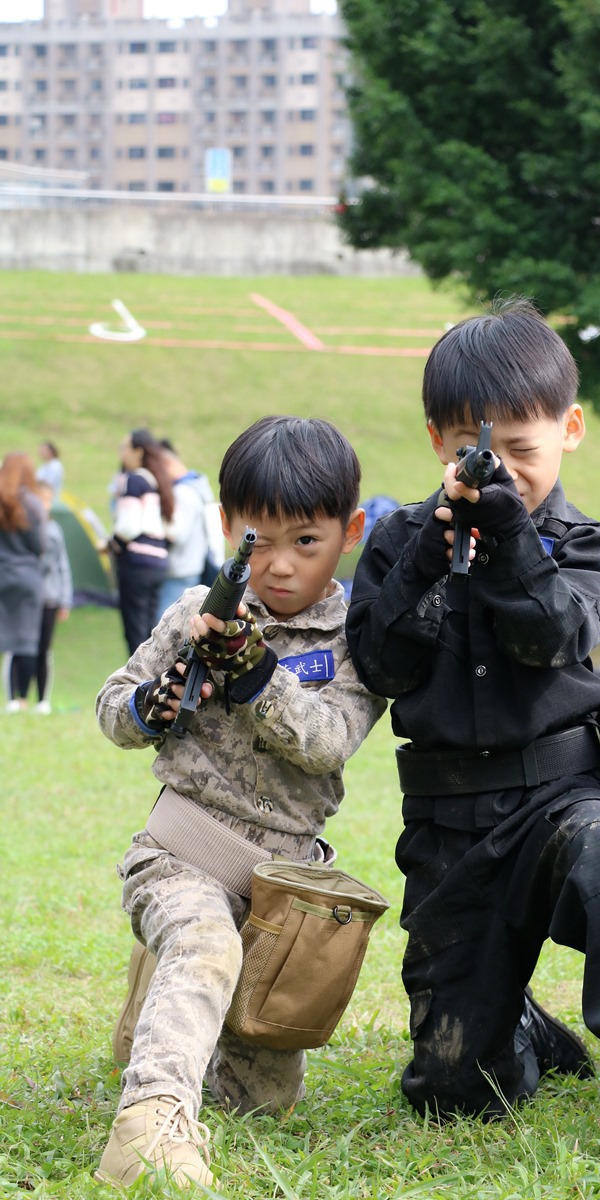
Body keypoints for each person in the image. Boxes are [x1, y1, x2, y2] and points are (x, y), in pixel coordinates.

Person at [345, 298, 600, 1185]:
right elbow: (380, 664)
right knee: (451, 1090)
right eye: (480, 452)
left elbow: (551, 635)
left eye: (524, 450)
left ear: (570, 429)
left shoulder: (586, 543)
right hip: (449, 827)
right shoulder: (400, 539)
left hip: (563, 796)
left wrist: (509, 534)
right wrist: (426, 563)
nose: (503, 470)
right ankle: (514, 1026)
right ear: (438, 439)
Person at [94, 415, 386, 1188]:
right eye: (260, 542)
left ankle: (153, 1011)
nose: (280, 566)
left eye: (307, 542)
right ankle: (149, 1125)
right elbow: (111, 705)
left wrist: (255, 672)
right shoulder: (198, 605)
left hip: (280, 893)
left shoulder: (359, 639)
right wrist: (147, 708)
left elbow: (327, 741)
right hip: (179, 854)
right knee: (205, 945)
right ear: (228, 527)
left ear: (349, 532)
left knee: (261, 1099)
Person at [106, 429, 174, 656]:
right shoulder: (156, 480)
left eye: (124, 448)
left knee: (134, 632)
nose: (121, 453)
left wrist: (111, 544)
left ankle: (135, 686)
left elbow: (128, 526)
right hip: (157, 562)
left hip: (136, 563)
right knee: (149, 630)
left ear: (138, 452)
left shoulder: (133, 480)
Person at [8, 482, 73, 714]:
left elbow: (62, 565)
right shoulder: (19, 528)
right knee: (20, 646)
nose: (43, 506)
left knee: (43, 649)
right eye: (40, 500)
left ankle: (42, 700)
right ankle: (17, 697)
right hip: (25, 598)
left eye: (47, 501)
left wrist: (66, 599)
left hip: (49, 598)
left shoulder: (55, 530)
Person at [0, 452, 46, 712]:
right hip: (27, 577)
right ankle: (22, 700)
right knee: (27, 639)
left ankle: (8, 700)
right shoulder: (32, 503)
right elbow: (39, 545)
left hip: (1, 575)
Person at [157, 439, 217, 616]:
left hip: (180, 570)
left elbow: (177, 534)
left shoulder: (182, 492)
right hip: (192, 565)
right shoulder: (197, 486)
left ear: (167, 464)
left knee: (166, 625)